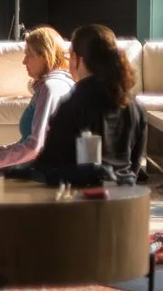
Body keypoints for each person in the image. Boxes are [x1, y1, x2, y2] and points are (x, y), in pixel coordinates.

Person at [32, 23, 146, 180]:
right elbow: (135, 165)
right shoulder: (135, 106)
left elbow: (48, 164)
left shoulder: (73, 105)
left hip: (83, 198)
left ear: (76, 58)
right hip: (123, 196)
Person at [0, 26, 74, 168]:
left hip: (42, 171)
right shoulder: (58, 83)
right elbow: (28, 141)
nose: (24, 61)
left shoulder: (50, 88)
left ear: (46, 55)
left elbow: (35, 147)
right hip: (44, 166)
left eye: (29, 55)